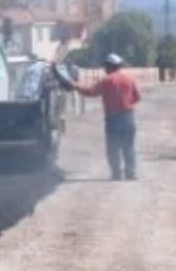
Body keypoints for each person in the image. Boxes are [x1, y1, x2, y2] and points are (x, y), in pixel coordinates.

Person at [51, 53, 142, 181]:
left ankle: (117, 174)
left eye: (106, 67)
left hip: (113, 119)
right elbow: (137, 98)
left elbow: (90, 92)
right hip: (128, 117)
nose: (105, 69)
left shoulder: (107, 80)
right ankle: (131, 173)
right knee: (129, 146)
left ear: (110, 67)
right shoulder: (129, 79)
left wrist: (75, 86)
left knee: (113, 148)